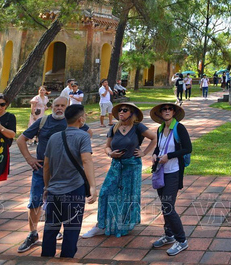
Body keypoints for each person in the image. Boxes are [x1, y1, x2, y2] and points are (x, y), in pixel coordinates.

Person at [16, 96, 93, 253]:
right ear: (52, 107)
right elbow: (21, 139)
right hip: (52, 177)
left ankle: (48, 253)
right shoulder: (44, 122)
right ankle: (34, 234)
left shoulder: (69, 129)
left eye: (62, 106)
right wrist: (29, 158)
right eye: (56, 105)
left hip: (57, 179)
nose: (59, 108)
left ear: (67, 108)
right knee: (38, 204)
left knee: (52, 222)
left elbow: (88, 135)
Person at [82, 102, 157, 238]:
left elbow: (154, 137)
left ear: (132, 114)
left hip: (132, 166)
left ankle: (124, 224)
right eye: (120, 111)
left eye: (125, 110)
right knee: (105, 192)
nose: (121, 112)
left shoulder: (137, 127)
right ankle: (101, 225)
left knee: (127, 196)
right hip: (116, 165)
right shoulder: (114, 128)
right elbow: (107, 147)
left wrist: (144, 153)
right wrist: (111, 154)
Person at [41, 104, 97, 258]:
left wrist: (47, 186)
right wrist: (92, 186)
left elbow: (46, 165)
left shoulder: (54, 137)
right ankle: (67, 259)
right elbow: (86, 161)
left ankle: (46, 259)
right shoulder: (83, 136)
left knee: (50, 228)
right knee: (71, 229)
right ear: (81, 119)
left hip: (54, 191)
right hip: (74, 190)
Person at [149, 103, 192, 256]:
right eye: (164, 109)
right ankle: (169, 235)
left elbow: (188, 148)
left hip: (173, 172)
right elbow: (158, 148)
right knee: (165, 206)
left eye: (170, 109)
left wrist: (169, 157)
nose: (167, 111)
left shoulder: (179, 128)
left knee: (168, 206)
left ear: (174, 112)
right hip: (161, 171)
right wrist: (155, 154)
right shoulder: (160, 129)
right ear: (160, 113)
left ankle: (182, 240)